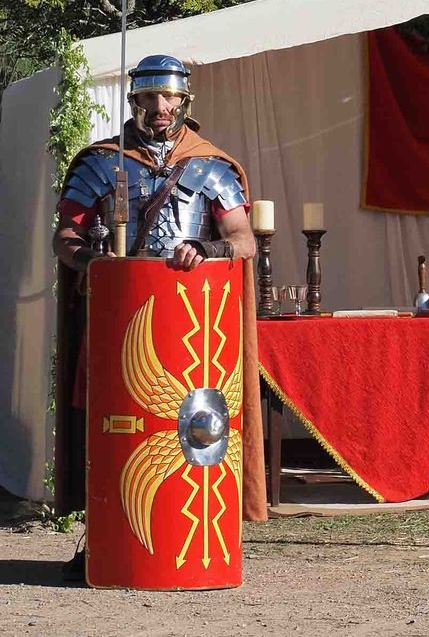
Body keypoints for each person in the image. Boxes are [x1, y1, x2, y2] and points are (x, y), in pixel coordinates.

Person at [52, 55, 264, 580]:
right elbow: (66, 237)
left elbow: (243, 242)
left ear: (184, 101)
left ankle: (196, 543)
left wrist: (205, 247)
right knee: (112, 426)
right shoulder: (101, 162)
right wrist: (93, 262)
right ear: (135, 102)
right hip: (120, 322)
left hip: (194, 327)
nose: (160, 108)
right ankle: (104, 536)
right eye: (149, 98)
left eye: (169, 98)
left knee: (197, 426)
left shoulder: (212, 166)